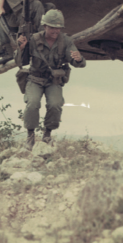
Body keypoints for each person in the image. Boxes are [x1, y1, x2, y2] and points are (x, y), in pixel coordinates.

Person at [15, 9, 86, 149]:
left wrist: (79, 59)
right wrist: (21, 48)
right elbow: (20, 62)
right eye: (52, 27)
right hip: (35, 78)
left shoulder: (65, 41)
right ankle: (30, 135)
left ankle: (47, 134)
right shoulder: (34, 39)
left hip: (53, 80)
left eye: (58, 28)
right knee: (33, 103)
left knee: (55, 104)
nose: (55, 31)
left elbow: (79, 62)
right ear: (45, 26)